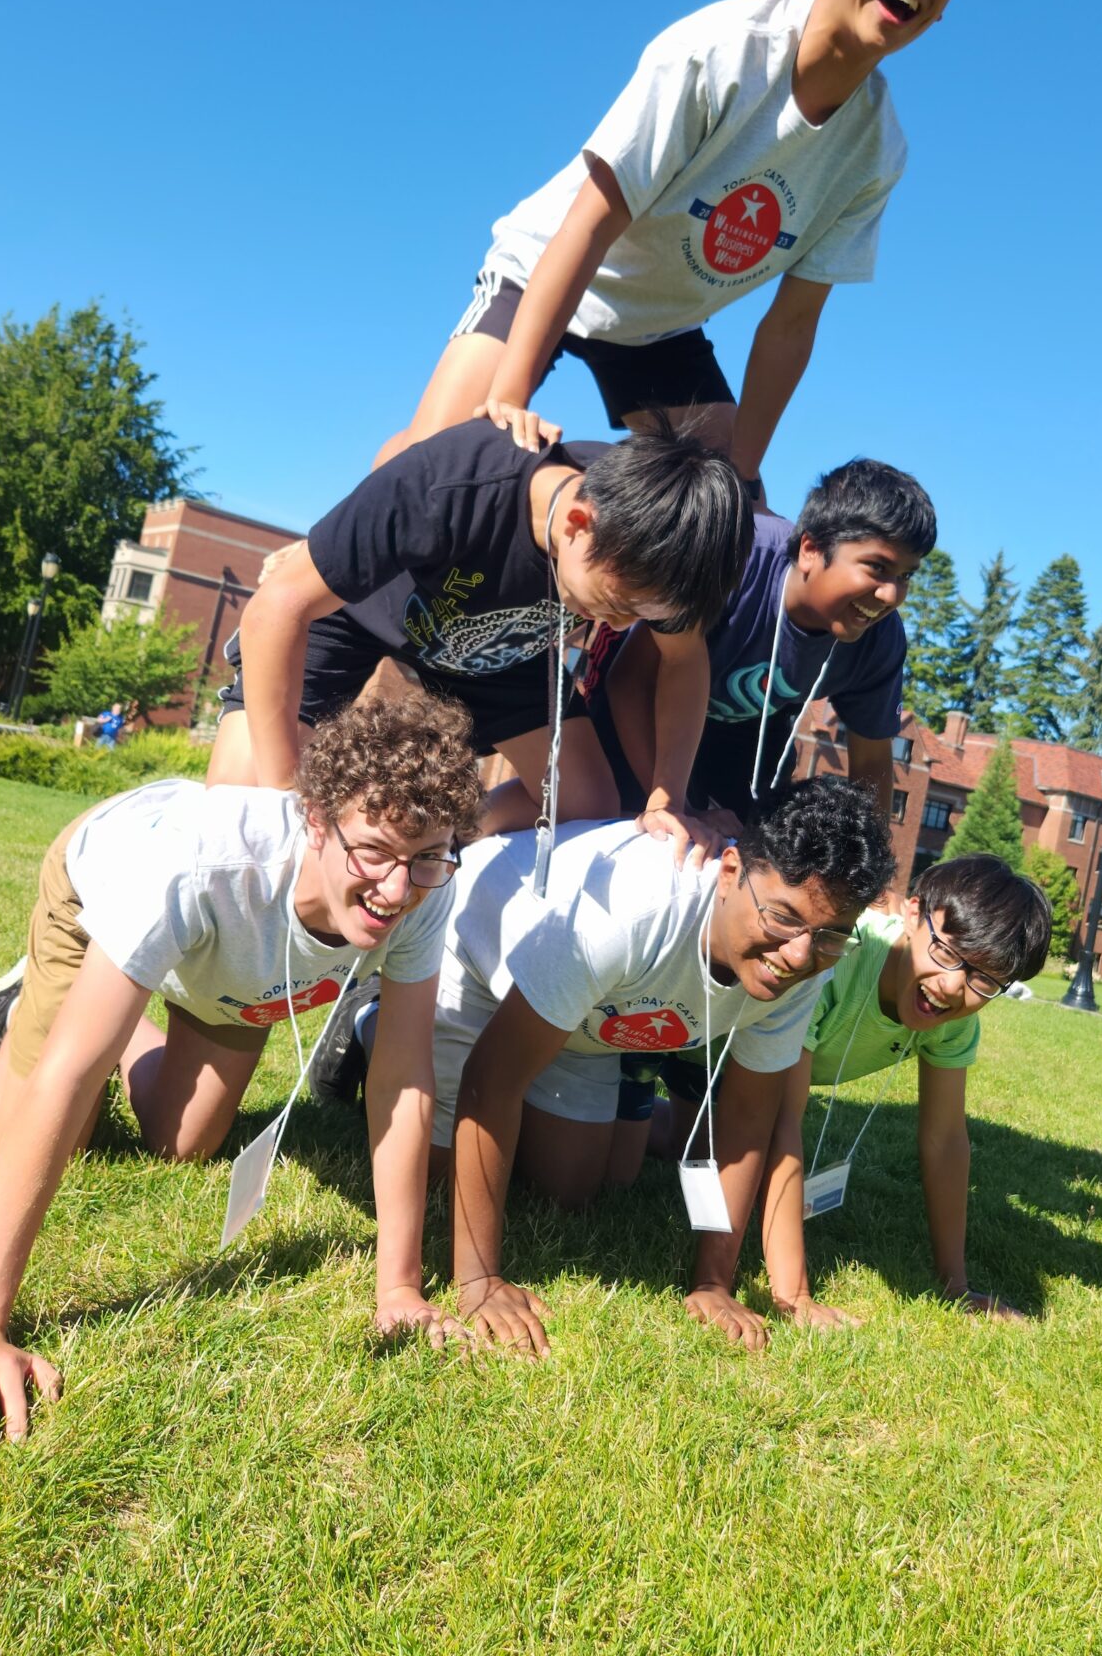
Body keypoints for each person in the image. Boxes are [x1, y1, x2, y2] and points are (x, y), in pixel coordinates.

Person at [0, 689, 485, 1448]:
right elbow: (66, 1077)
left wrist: (401, 1287)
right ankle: (47, 994)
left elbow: (402, 1080)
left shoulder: (423, 888)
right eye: (374, 853)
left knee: (181, 1141)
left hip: (233, 966)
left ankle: (120, 1018)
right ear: (315, 819)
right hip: (102, 897)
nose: (395, 889)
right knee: (46, 1124)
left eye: (424, 859)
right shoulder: (201, 864)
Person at [377, 0, 994, 496]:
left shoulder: (876, 150)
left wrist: (744, 476)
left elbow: (791, 324)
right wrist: (509, 400)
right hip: (548, 272)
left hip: (659, 328)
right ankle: (338, 545)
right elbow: (590, 222)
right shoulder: (723, 52)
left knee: (727, 521)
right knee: (443, 464)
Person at [429, 777, 894, 1355]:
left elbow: (747, 1118)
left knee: (566, 1191)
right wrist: (479, 1281)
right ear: (729, 872)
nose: (798, 955)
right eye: (783, 919)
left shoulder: (807, 962)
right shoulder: (632, 908)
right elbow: (490, 1078)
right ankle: (370, 1028)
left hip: (584, 1024)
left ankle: (539, 1063)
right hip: (476, 962)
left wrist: (714, 1283)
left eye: (829, 936)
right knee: (436, 1170)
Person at [209, 418, 752, 856]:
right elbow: (276, 608)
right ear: (578, 523)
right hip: (364, 609)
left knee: (585, 802)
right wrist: (284, 795)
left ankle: (433, 841)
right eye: (611, 606)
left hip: (503, 645)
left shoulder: (664, 545)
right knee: (240, 804)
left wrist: (669, 799)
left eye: (641, 616)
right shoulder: (454, 481)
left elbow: (683, 660)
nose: (616, 627)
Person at [750, 855, 1052, 1328]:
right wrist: (794, 1295)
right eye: (948, 953)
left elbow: (945, 1142)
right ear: (913, 915)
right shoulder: (838, 957)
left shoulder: (953, 1023)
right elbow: (779, 1121)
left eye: (985, 979)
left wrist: (957, 1286)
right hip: (696, 1053)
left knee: (677, 1142)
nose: (952, 986)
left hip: (737, 1087)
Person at [584, 456, 935, 833]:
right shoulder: (733, 557)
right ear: (810, 550)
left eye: (906, 575)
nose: (891, 594)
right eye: (877, 568)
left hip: (746, 727)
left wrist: (871, 880)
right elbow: (629, 683)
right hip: (640, 694)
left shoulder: (879, 640)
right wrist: (677, 807)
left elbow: (870, 765)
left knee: (749, 849)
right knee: (614, 816)